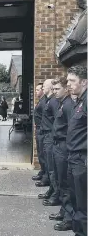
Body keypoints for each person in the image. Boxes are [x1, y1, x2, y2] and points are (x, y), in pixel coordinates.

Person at [61, 65, 87, 236]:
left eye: (72, 81)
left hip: (82, 159)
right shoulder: (79, 102)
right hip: (73, 158)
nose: (68, 84)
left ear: (84, 81)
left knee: (85, 206)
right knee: (77, 203)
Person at [44, 78, 73, 223]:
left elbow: (71, 129)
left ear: (66, 89)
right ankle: (64, 211)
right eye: (53, 89)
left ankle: (68, 217)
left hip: (63, 146)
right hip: (57, 144)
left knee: (65, 182)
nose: (54, 92)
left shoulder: (68, 105)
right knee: (61, 181)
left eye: (57, 89)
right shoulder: (62, 104)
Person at [36, 79, 60, 198]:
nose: (42, 88)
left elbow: (57, 120)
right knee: (48, 163)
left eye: (44, 86)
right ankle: (52, 189)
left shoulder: (54, 102)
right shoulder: (48, 100)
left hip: (50, 134)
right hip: (45, 133)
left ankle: (55, 193)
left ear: (50, 88)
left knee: (51, 166)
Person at [32, 83, 48, 182]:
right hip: (38, 128)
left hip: (42, 130)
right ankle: (43, 171)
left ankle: (46, 176)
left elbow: (45, 117)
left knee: (43, 153)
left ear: (42, 90)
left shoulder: (44, 101)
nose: (36, 92)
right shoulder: (41, 101)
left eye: (38, 90)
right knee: (40, 152)